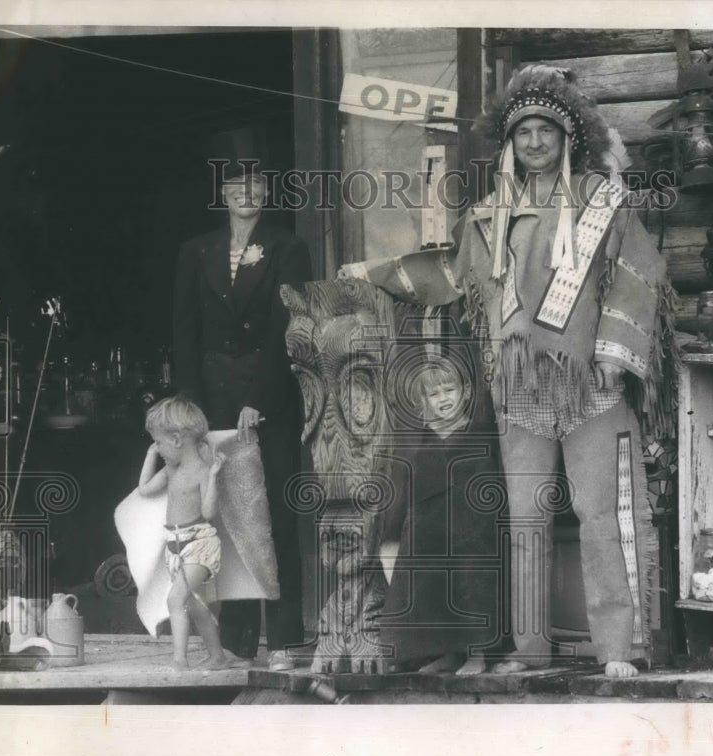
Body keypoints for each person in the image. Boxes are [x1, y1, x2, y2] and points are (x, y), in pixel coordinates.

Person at [343, 65, 677, 677]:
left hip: (589, 384)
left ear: (567, 135)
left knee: (600, 513)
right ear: (509, 143)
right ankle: (530, 653)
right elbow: (453, 276)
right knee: (524, 517)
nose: (534, 142)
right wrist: (376, 272)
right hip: (519, 388)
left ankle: (618, 649)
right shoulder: (488, 216)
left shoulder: (603, 202)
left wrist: (611, 354)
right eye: (522, 131)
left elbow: (637, 279)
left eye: (545, 129)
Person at [173, 143, 311, 670]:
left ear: (267, 192)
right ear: (223, 193)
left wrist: (261, 399)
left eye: (256, 184)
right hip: (213, 403)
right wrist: (193, 406)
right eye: (236, 184)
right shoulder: (197, 250)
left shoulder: (287, 247)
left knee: (273, 515)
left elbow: (288, 328)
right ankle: (234, 640)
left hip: (267, 399)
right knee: (222, 521)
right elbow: (185, 331)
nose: (246, 193)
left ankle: (283, 639)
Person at [376, 355, 502, 675]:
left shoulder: (478, 432)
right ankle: (444, 652)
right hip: (434, 529)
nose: (443, 399)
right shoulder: (424, 438)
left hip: (471, 530)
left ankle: (476, 654)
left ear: (466, 392)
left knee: (472, 574)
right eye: (434, 394)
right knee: (425, 573)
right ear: (424, 401)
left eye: (449, 390)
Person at [138, 396, 228, 671]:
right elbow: (144, 490)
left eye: (160, 444)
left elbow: (209, 512)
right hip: (175, 544)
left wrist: (213, 477)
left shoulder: (202, 471)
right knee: (196, 605)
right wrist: (150, 456)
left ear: (177, 439)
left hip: (199, 543)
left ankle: (180, 659)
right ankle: (218, 657)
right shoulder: (170, 469)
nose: (159, 449)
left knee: (174, 599)